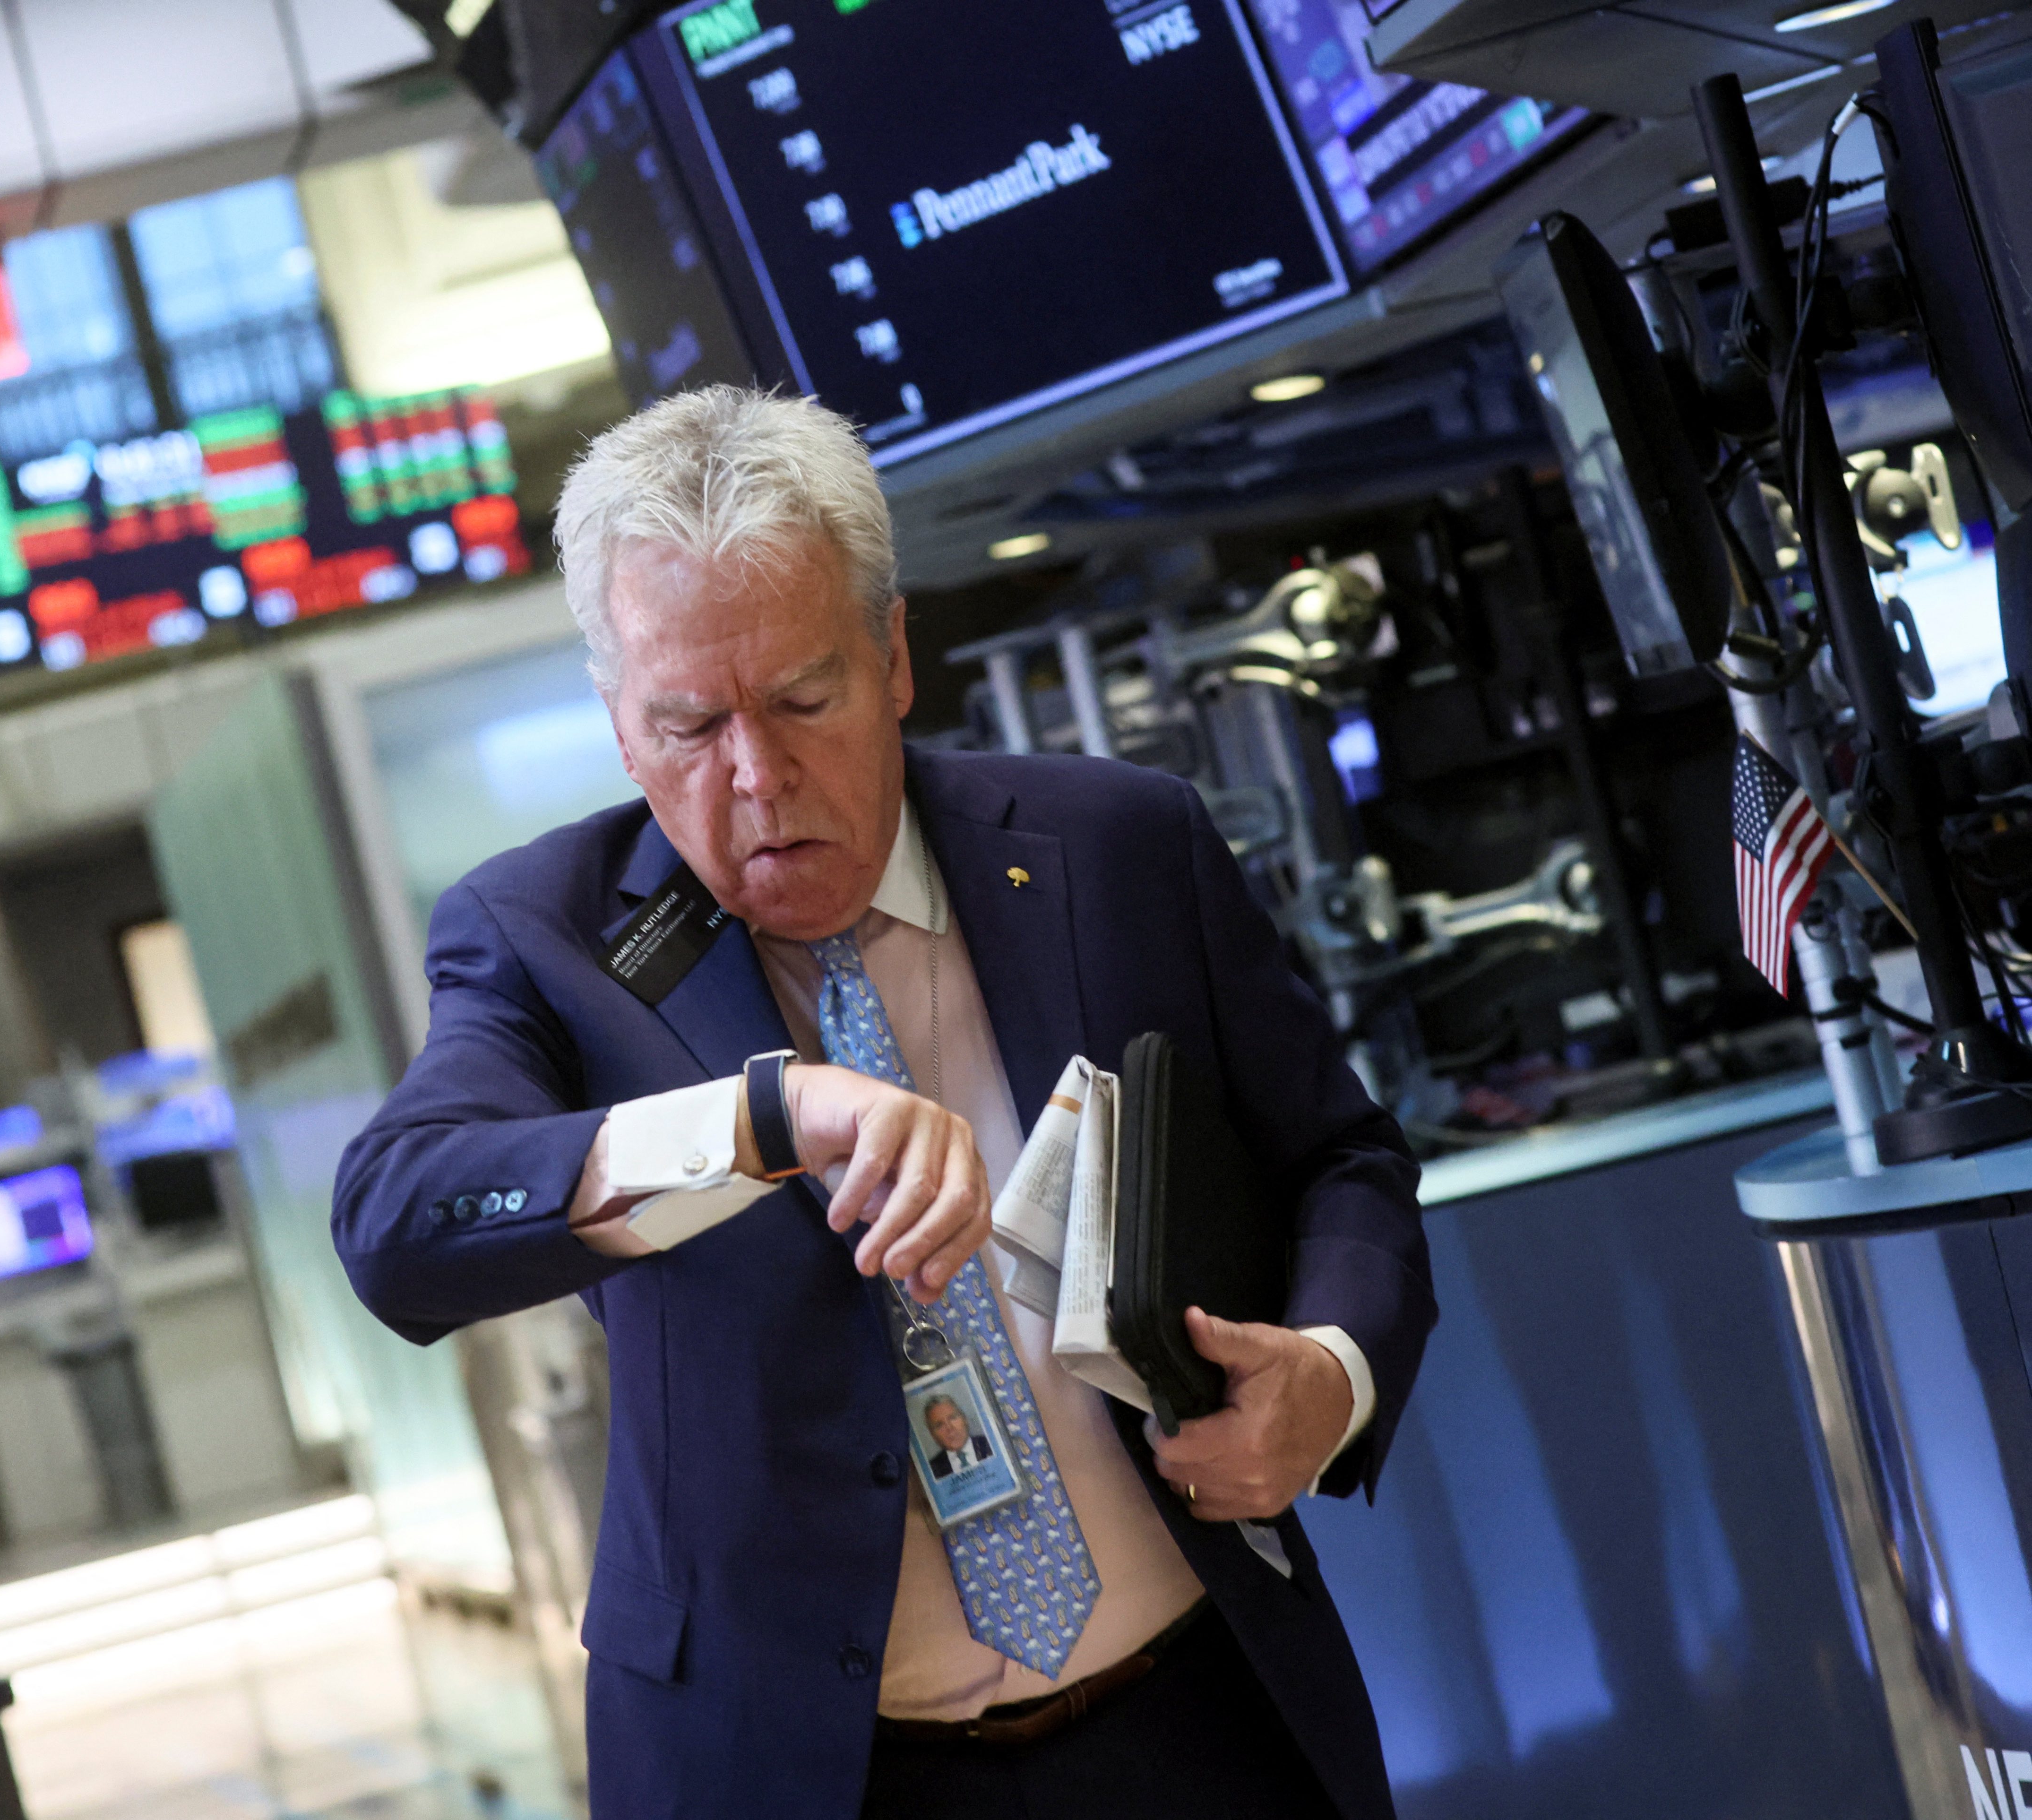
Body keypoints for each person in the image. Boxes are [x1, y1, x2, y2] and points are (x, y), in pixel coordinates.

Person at [333, 387, 1432, 1820]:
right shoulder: (542, 937)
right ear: (618, 724)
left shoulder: (1112, 844)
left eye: (802, 698)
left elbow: (1339, 1157)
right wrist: (754, 1121)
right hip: (806, 1764)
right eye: (685, 725)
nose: (755, 775)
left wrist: (1330, 1372)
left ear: (892, 652)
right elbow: (395, 1216)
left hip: (1195, 1710)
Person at [922, 1397, 990, 1478]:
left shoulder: (990, 1445)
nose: (949, 1428)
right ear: (933, 1435)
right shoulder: (932, 1471)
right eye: (939, 1425)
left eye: (953, 1418)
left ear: (965, 1420)